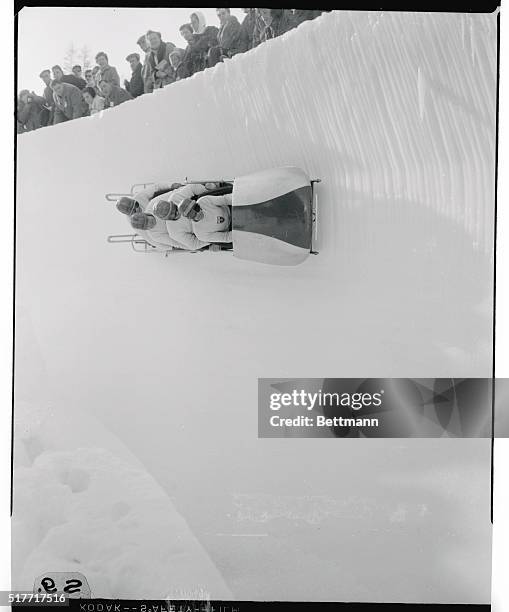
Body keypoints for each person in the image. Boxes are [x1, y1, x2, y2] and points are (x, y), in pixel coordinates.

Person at [152, 182, 222, 251]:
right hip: (213, 230)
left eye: (174, 208)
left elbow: (192, 188)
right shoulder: (174, 232)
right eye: (172, 214)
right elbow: (194, 244)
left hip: (212, 206)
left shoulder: (175, 197)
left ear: (171, 203)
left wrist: (208, 191)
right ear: (166, 219)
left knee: (210, 189)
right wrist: (211, 240)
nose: (176, 212)